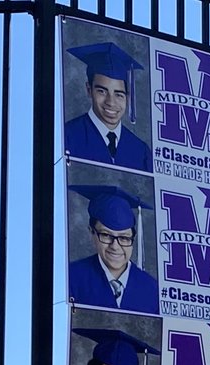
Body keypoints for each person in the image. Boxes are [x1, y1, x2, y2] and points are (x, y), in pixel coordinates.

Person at [67, 184, 158, 313]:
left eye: (124, 238)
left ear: (133, 237)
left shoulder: (152, 290)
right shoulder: (71, 278)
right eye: (106, 235)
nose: (115, 246)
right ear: (91, 233)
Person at [64, 42, 153, 171]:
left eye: (119, 94)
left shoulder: (140, 151)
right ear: (89, 90)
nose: (111, 102)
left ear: (128, 97)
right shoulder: (69, 135)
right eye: (102, 91)